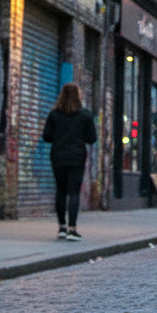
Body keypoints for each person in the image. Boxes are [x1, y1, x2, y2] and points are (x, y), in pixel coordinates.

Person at [42, 82, 97, 242]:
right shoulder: (85, 115)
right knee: (74, 193)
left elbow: (46, 136)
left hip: (58, 156)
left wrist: (59, 137)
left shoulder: (54, 115)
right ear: (78, 96)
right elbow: (92, 138)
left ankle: (62, 227)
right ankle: (73, 229)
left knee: (60, 191)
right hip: (77, 157)